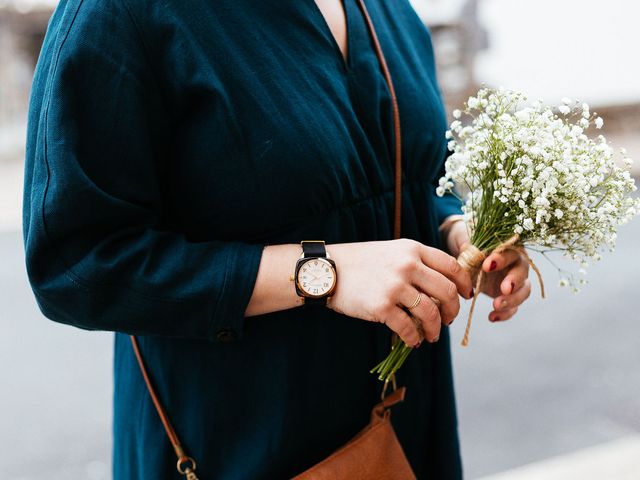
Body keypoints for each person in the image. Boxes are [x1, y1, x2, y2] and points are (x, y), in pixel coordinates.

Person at [23, 0, 532, 478]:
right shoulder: (121, 13)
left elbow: (417, 171)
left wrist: (458, 229)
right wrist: (323, 274)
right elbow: (75, 266)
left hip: (407, 420)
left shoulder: (381, 8)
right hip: (246, 439)